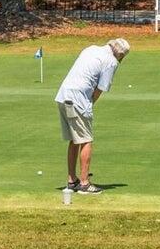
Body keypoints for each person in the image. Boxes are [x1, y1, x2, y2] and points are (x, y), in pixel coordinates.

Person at [54, 37, 128, 193]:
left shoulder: (92, 48)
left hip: (63, 95)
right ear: (120, 55)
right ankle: (84, 183)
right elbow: (100, 89)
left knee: (75, 139)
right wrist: (89, 105)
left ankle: (72, 180)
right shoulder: (111, 62)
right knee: (86, 140)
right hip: (78, 99)